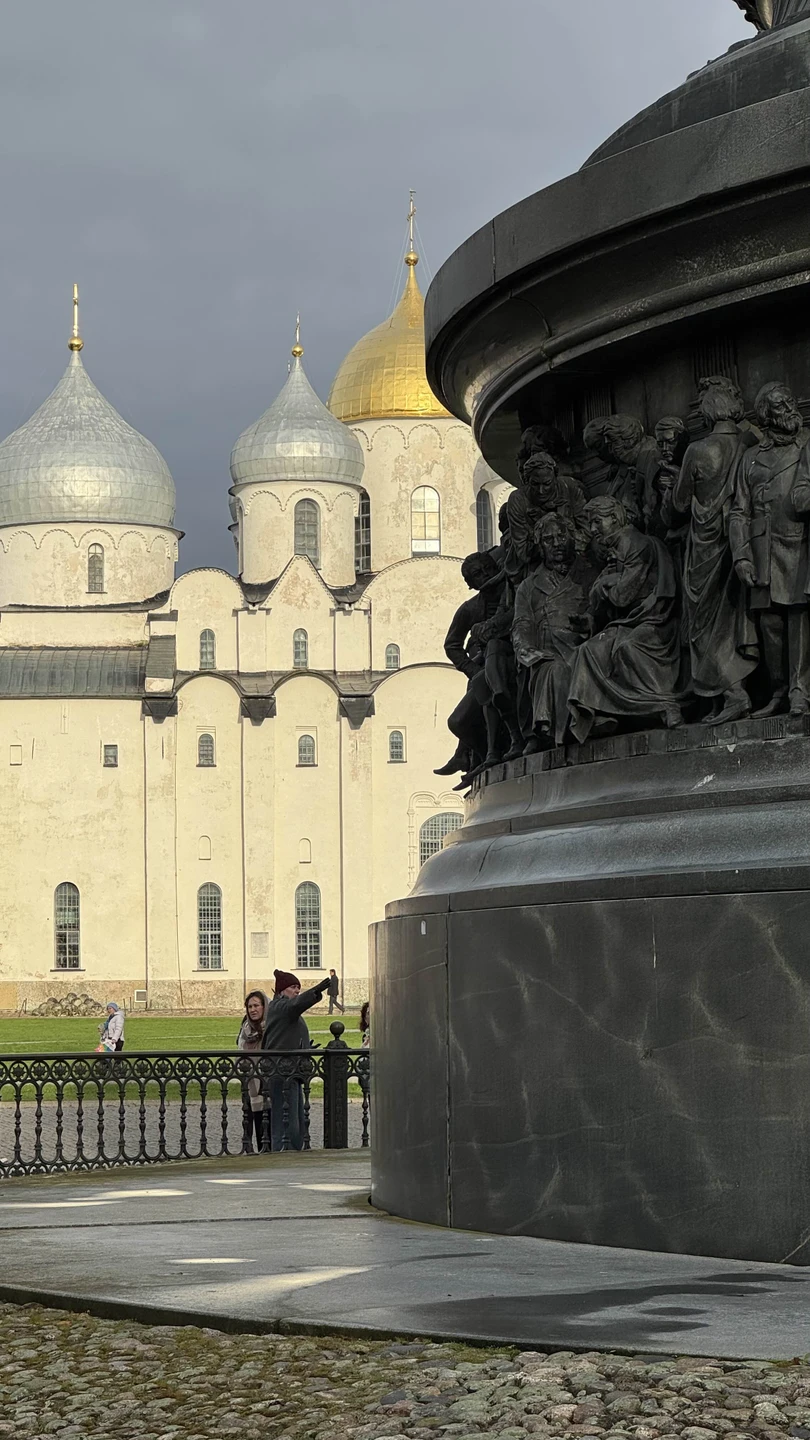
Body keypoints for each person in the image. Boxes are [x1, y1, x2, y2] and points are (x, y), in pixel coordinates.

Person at [730, 381, 810, 719]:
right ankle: (777, 689)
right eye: (780, 405)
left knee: (799, 620)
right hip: (764, 551)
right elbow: (738, 511)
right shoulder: (751, 458)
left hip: (799, 545)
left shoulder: (807, 444)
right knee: (771, 628)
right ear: (766, 415)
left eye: (791, 400)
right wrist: (741, 555)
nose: (790, 407)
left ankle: (799, 692)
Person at [262, 969, 331, 1151]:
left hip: (290, 1071)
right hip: (282, 1072)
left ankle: (291, 1151)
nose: (297, 991)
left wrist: (305, 1048)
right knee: (285, 1121)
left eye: (299, 988)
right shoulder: (280, 1006)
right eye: (293, 987)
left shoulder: (285, 1009)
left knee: (295, 1120)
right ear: (281, 990)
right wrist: (315, 991)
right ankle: (283, 1154)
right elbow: (294, 1007)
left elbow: (287, 1033)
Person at [237, 990, 270, 1153]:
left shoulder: (270, 1027)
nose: (252, 1009)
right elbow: (239, 1050)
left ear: (264, 1007)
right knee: (251, 1118)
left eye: (256, 1005)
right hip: (249, 1081)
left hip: (267, 1082)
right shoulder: (245, 1028)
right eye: (249, 1006)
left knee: (266, 1122)